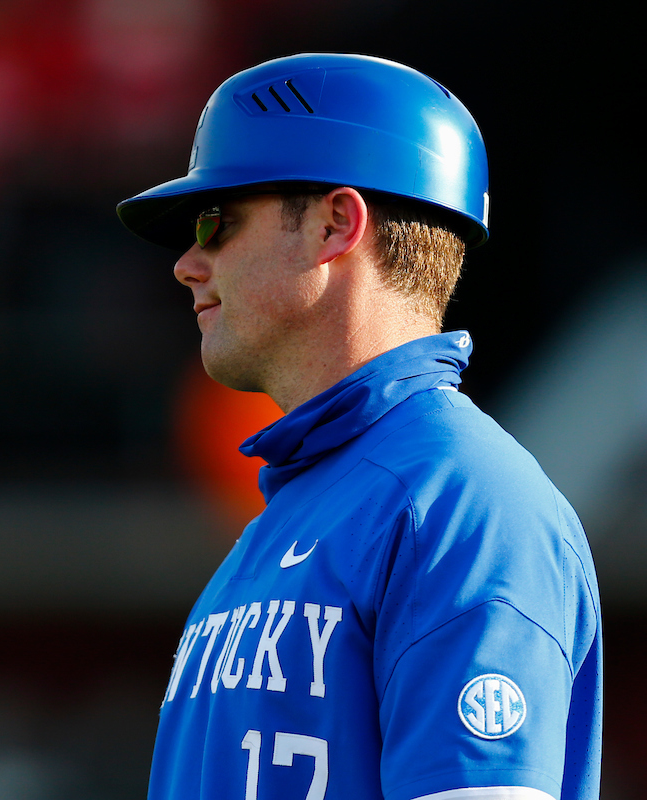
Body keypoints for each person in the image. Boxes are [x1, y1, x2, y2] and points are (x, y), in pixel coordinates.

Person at [116, 53, 600, 800]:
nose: (186, 263)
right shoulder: (291, 515)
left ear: (337, 224)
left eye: (216, 221)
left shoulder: (465, 503)